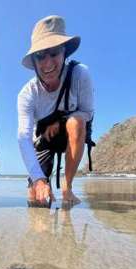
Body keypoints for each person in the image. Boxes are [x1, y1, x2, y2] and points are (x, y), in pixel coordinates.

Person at [18, 15, 94, 208]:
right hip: (44, 141)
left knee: (76, 122)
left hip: (72, 134)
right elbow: (24, 138)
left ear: (64, 53)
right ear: (34, 61)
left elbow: (87, 112)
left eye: (54, 53)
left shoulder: (80, 74)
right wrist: (38, 180)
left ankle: (67, 187)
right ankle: (42, 181)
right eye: (40, 56)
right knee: (36, 201)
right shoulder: (27, 94)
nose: (47, 63)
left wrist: (60, 122)